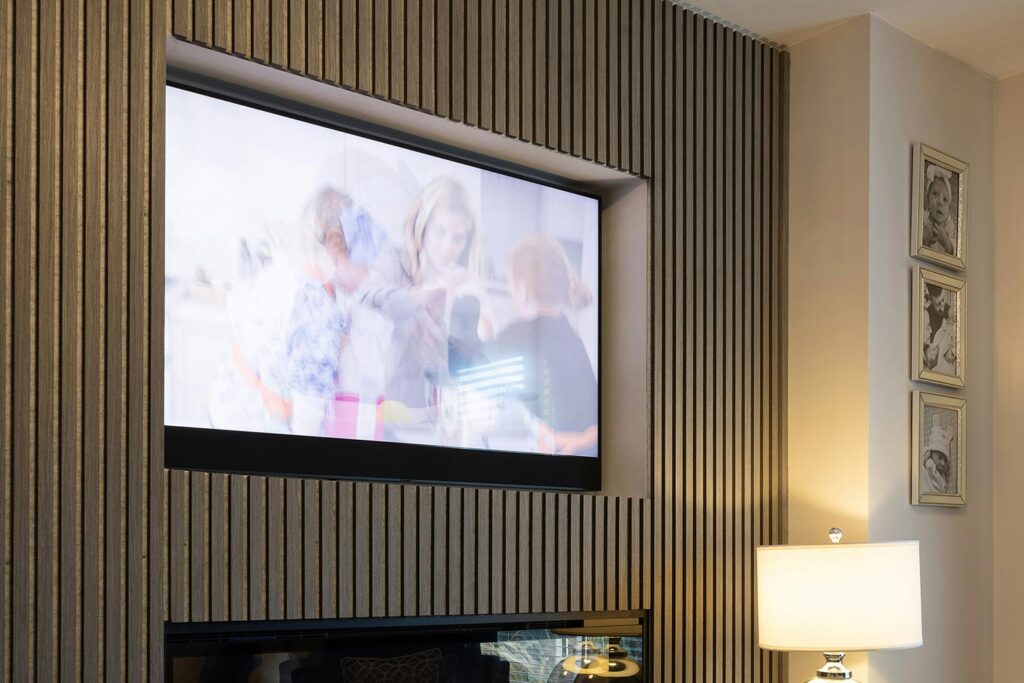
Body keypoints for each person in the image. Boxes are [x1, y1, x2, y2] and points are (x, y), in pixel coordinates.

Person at [359, 176, 492, 409]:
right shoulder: (392, 260)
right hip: (386, 414)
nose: (447, 247)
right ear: (423, 224)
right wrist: (423, 295)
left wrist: (479, 316)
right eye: (440, 231)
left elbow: (470, 368)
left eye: (458, 238)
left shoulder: (464, 285)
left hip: (435, 419)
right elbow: (365, 300)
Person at [488, 233, 597, 456]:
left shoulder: (514, 335)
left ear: (521, 288)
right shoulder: (573, 338)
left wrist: (486, 333)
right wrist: (584, 440)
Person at [922, 164, 956, 255]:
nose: (940, 202)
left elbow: (954, 250)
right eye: (935, 194)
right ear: (927, 200)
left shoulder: (949, 224)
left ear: (949, 208)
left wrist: (945, 241)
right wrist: (924, 237)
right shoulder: (923, 218)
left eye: (945, 199)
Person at [922, 419, 953, 493]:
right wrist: (926, 460)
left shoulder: (940, 475)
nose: (943, 463)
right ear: (930, 453)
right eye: (940, 457)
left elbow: (942, 487)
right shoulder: (929, 461)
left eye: (945, 461)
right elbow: (928, 467)